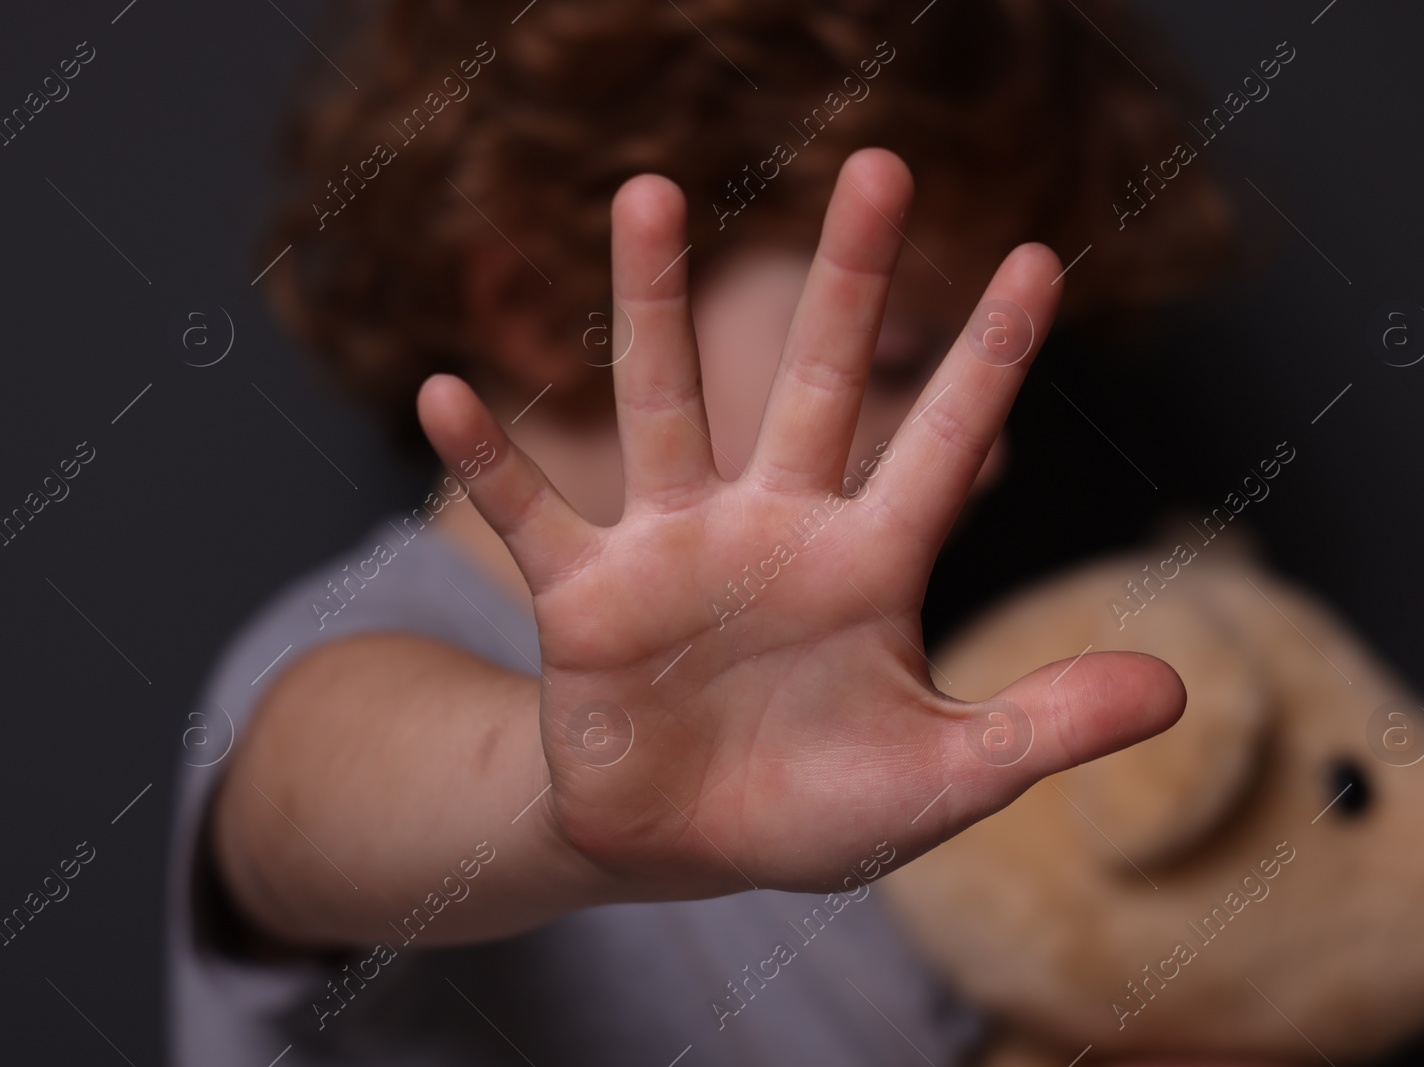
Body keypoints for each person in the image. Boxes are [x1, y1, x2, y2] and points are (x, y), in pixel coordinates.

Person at [168, 2, 1237, 1063]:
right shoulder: (353, 665)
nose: (988, 451)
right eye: (906, 353)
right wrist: (564, 779)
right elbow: (296, 808)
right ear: (543, 296)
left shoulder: (846, 732)